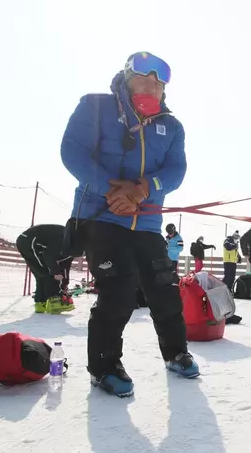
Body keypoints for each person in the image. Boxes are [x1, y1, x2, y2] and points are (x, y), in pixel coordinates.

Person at [60, 51, 199, 398]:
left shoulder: (173, 126)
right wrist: (111, 189)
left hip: (148, 223)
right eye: (143, 78)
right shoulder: (95, 107)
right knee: (118, 291)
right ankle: (104, 366)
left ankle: (176, 353)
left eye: (158, 82)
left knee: (164, 289)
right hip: (101, 217)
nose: (151, 86)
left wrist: (143, 190)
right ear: (125, 78)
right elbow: (72, 151)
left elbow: (175, 170)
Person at [16, 221, 77, 314]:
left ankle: (41, 303)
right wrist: (56, 272)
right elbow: (48, 255)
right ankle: (54, 302)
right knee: (48, 272)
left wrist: (65, 283)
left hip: (30, 243)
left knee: (41, 273)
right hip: (29, 240)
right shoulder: (66, 240)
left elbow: (65, 266)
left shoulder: (73, 249)